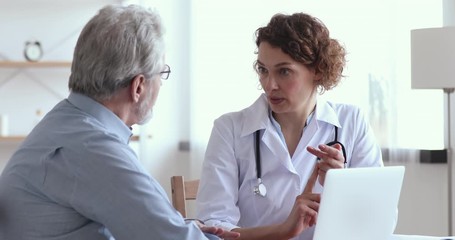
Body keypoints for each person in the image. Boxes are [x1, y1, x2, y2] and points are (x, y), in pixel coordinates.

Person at [0, 4, 240, 240]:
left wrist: (181, 226)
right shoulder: (93, 148)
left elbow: (139, 221)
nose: (162, 84)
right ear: (138, 86)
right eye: (162, 73)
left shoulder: (65, 122)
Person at [195, 12, 383, 240]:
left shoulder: (352, 122)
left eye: (284, 71)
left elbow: (378, 221)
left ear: (319, 71)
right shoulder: (229, 129)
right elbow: (214, 229)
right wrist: (284, 230)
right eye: (263, 70)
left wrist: (342, 187)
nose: (269, 85)